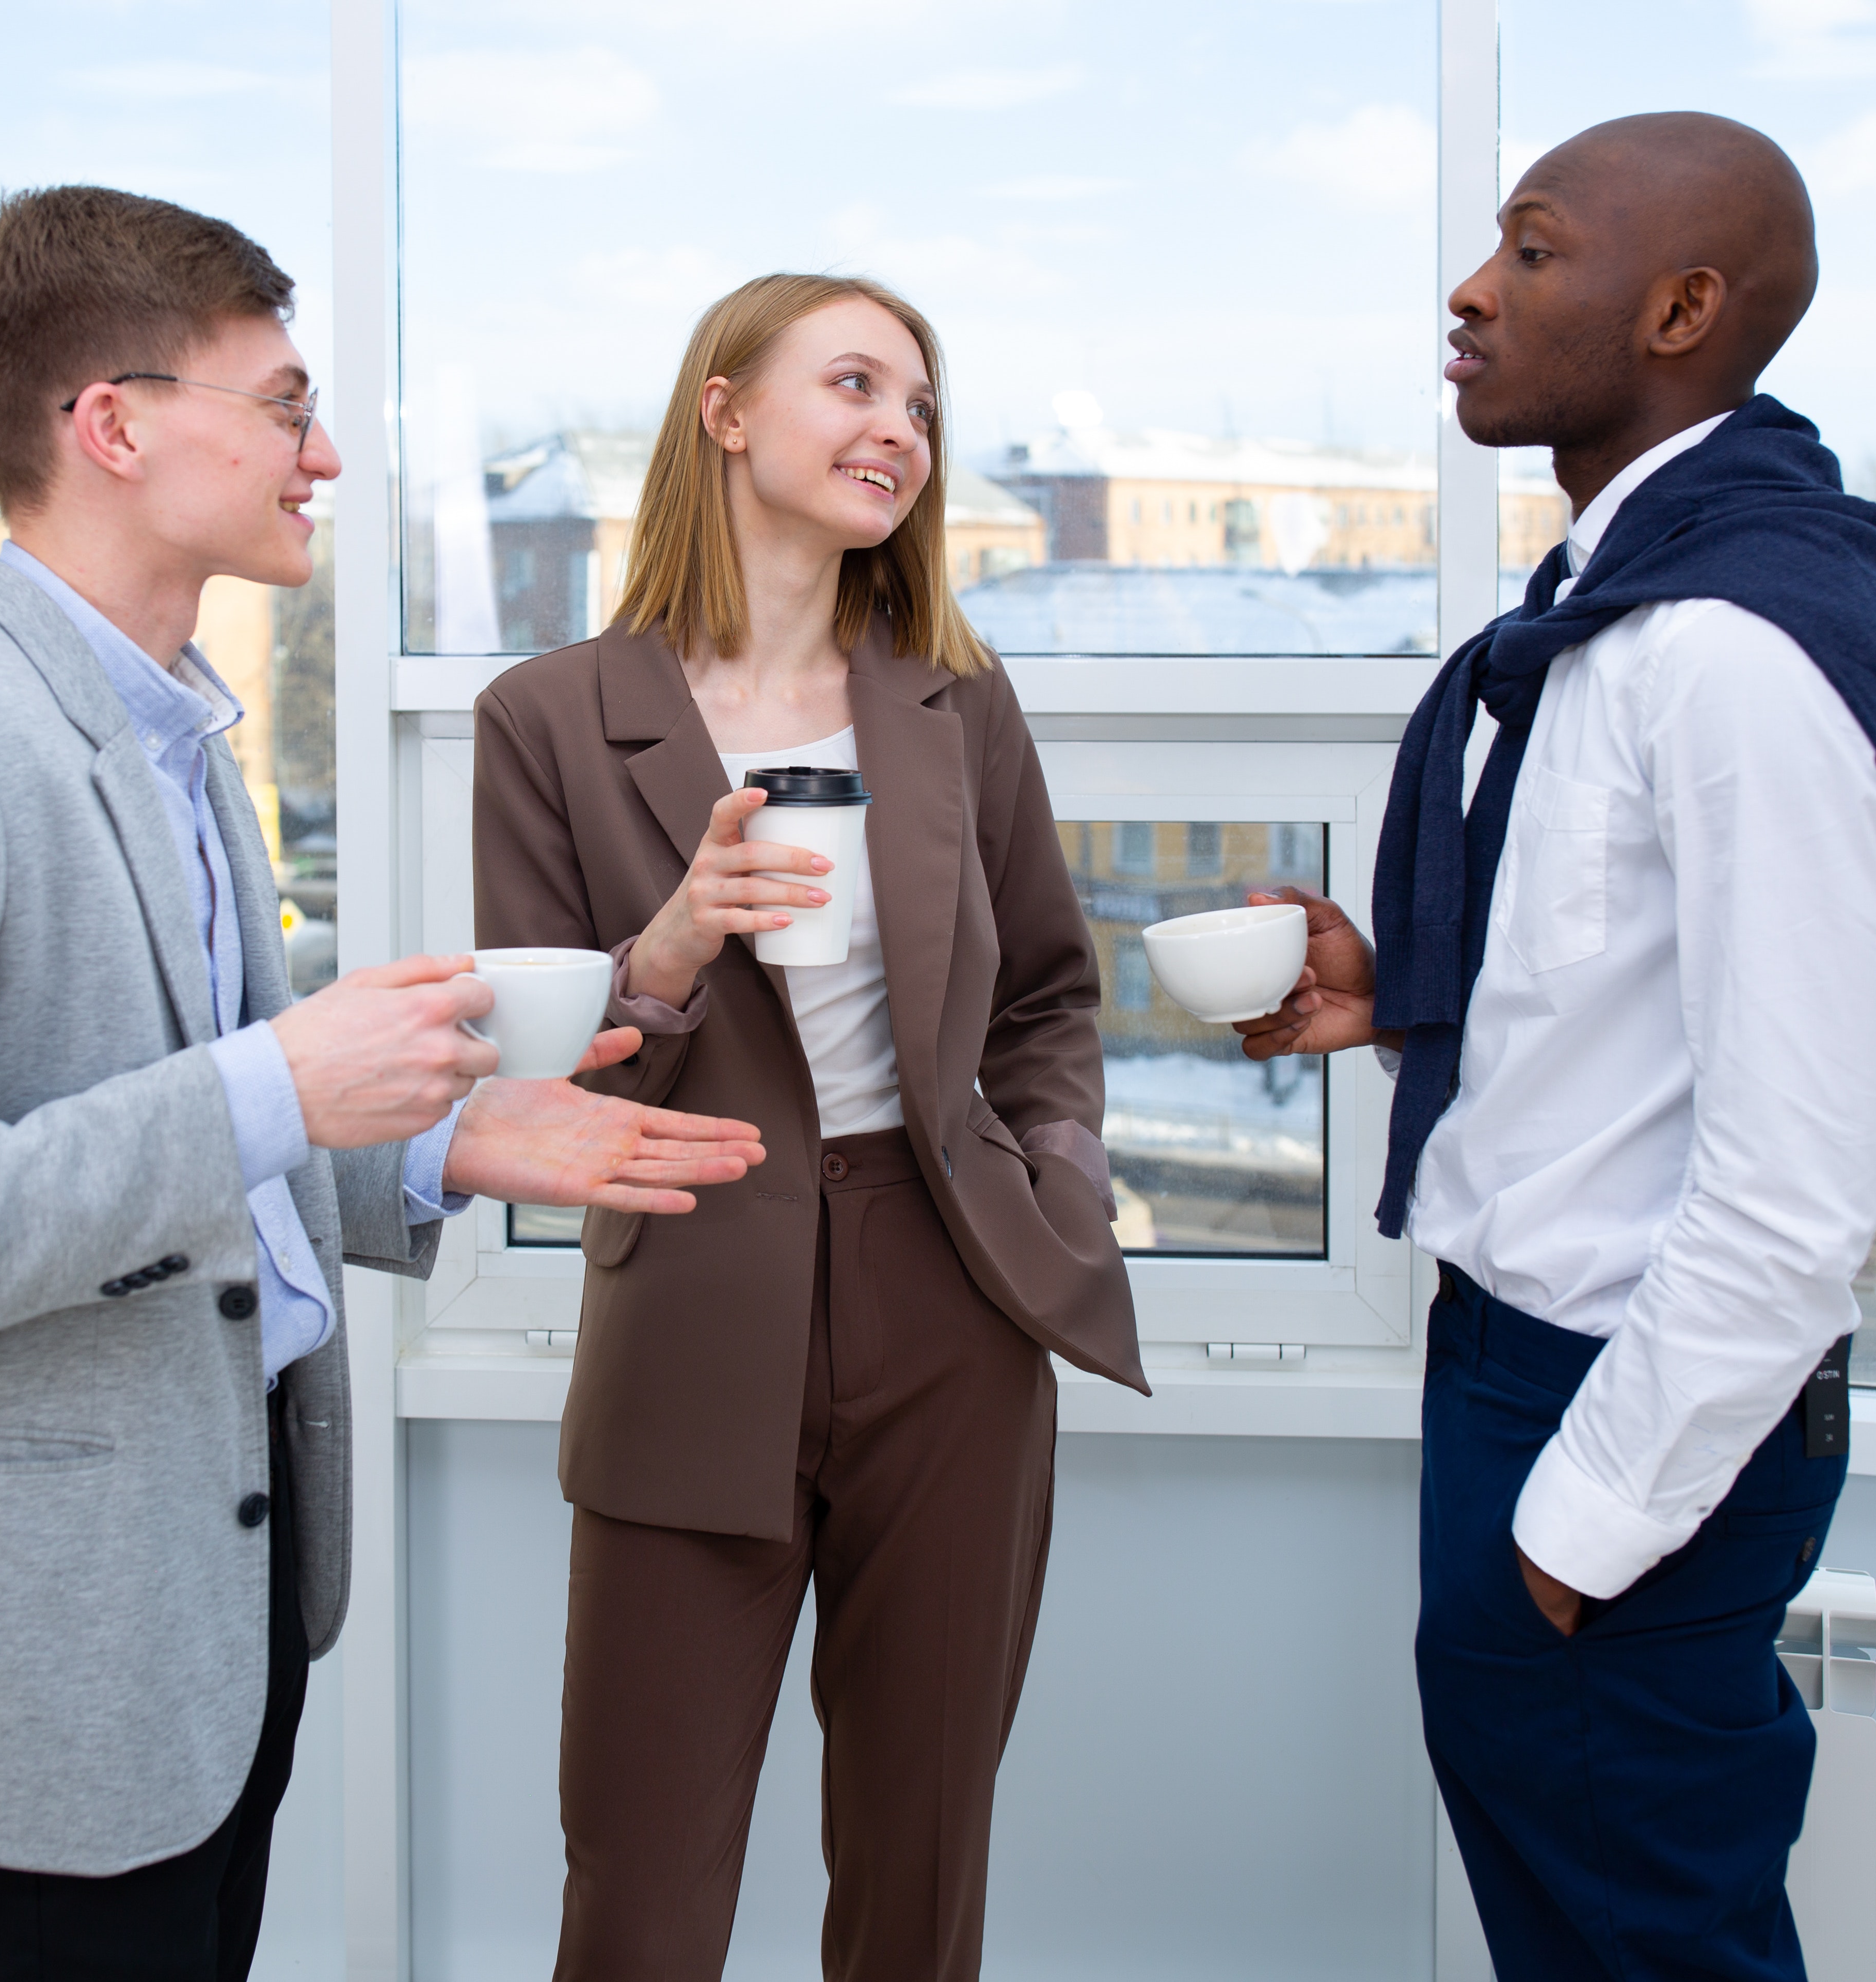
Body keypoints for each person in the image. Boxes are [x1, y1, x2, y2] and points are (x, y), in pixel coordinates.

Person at [0, 185, 764, 1982]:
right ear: (111, 425)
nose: (324, 450)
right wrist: (271, 1084)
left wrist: (431, 1145)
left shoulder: (170, 735)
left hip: (202, 1600)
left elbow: (176, 1170)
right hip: (34, 1651)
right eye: (280, 403)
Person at [1234, 115, 1876, 1980]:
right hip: (1529, 1375)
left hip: (1616, 1410)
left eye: (1531, 252)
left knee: (1647, 1946)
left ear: (1680, 308)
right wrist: (1403, 1005)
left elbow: (1793, 1187)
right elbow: (1624, 1006)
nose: (1470, 291)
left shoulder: (1735, 646)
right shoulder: (1628, 607)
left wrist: (1577, 1530)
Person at [471, 273, 1144, 1980]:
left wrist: (1048, 1187)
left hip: (952, 1309)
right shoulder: (549, 717)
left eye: (920, 405)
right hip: (691, 1295)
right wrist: (674, 945)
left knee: (919, 1866)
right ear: (723, 410)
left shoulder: (954, 705)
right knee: (639, 1872)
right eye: (854, 385)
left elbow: (1050, 997)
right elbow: (538, 1086)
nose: (897, 434)